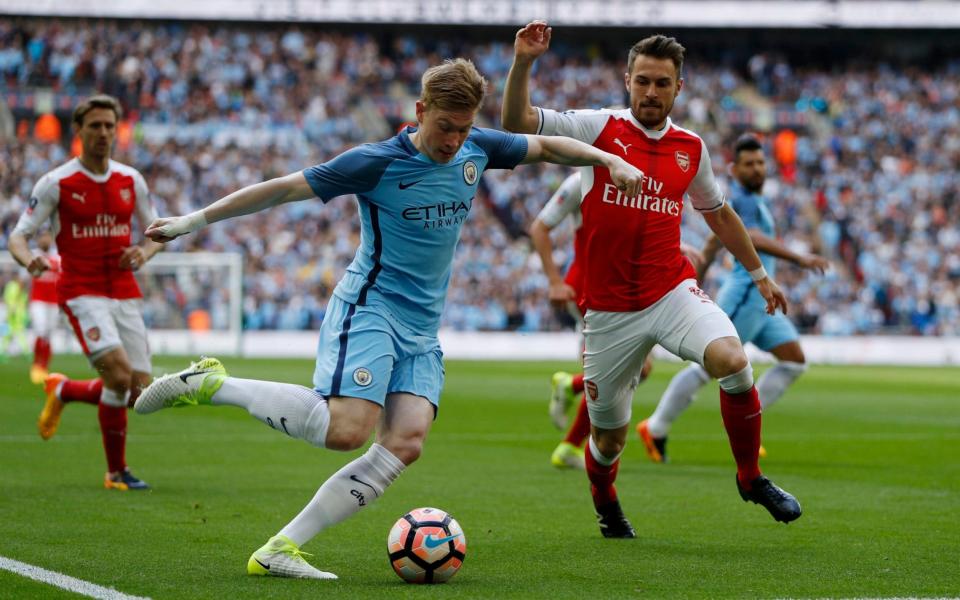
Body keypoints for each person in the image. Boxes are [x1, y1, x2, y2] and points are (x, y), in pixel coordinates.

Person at [134, 58, 645, 580]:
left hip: (422, 329)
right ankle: (212, 382)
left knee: (406, 440)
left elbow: (549, 147)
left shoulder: (478, 148)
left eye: (463, 128)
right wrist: (192, 222)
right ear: (420, 111)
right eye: (444, 126)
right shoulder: (376, 161)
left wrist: (609, 161)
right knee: (346, 430)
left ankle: (280, 549)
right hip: (371, 306)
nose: (453, 140)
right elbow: (284, 188)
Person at [503, 22, 802, 537]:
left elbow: (721, 214)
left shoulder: (691, 148)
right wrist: (524, 62)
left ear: (678, 88)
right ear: (627, 80)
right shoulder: (598, 128)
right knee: (608, 440)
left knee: (734, 360)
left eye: (662, 83)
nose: (651, 92)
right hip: (609, 312)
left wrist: (759, 275)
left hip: (671, 291)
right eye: (642, 80)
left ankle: (751, 478)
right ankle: (605, 498)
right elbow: (517, 123)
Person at [637, 135, 829, 463]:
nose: (757, 169)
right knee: (710, 367)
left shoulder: (746, 200)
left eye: (760, 162)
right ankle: (656, 427)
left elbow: (714, 242)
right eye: (749, 164)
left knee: (794, 360)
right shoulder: (745, 200)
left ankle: (749, 424)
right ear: (734, 169)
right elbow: (751, 237)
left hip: (761, 304)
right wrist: (799, 258)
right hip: (744, 294)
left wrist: (694, 276)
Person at [8, 94, 163, 490]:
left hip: (124, 289)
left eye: (109, 126)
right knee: (120, 375)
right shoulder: (57, 183)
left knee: (138, 392)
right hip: (81, 290)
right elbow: (18, 237)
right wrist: (30, 262)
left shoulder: (131, 180)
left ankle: (63, 389)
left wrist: (143, 252)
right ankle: (116, 473)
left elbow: (157, 232)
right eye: (95, 126)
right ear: (78, 131)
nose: (103, 133)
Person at [531, 171, 703, 469]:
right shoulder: (582, 180)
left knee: (629, 370)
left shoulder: (639, 177)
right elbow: (540, 228)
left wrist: (676, 248)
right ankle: (571, 443)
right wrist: (554, 281)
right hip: (590, 287)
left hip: (625, 288)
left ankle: (571, 396)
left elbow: (633, 233)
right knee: (628, 369)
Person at [27, 230, 61, 384]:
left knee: (48, 334)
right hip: (38, 300)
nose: (45, 239)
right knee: (40, 330)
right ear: (39, 239)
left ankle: (45, 366)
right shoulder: (33, 256)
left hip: (54, 301)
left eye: (47, 236)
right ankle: (37, 364)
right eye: (43, 236)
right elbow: (26, 276)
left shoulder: (57, 258)